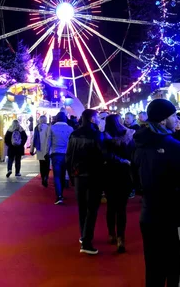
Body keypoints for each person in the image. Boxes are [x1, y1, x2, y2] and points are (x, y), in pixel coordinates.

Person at [134, 98, 180, 287]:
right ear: (162, 120)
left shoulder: (139, 144)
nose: (176, 119)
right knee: (177, 271)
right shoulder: (174, 146)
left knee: (154, 268)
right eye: (173, 115)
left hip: (149, 214)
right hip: (173, 217)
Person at [66, 109, 106, 255]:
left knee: (82, 207)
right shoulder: (96, 135)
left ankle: (84, 235)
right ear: (91, 119)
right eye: (96, 117)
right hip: (93, 175)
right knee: (92, 209)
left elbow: (69, 156)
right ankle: (87, 241)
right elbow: (102, 155)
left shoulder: (74, 134)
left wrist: (71, 175)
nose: (98, 119)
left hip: (78, 175)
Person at [103, 114, 135, 253]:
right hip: (124, 174)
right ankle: (121, 237)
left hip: (109, 174)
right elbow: (132, 154)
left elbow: (104, 155)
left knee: (111, 206)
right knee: (121, 207)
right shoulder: (128, 136)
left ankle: (112, 234)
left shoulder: (104, 137)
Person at [48, 111, 74, 205]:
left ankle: (59, 195)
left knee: (57, 176)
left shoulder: (52, 128)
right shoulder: (70, 129)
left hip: (56, 153)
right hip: (67, 154)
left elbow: (49, 141)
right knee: (63, 175)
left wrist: (47, 152)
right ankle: (61, 193)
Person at [33, 115, 50, 187]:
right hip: (46, 149)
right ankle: (46, 176)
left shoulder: (36, 128)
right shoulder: (48, 127)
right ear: (45, 120)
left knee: (41, 164)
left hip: (39, 148)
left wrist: (32, 149)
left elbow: (34, 138)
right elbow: (49, 138)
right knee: (47, 164)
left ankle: (43, 177)